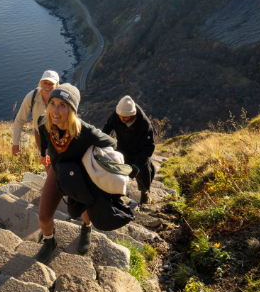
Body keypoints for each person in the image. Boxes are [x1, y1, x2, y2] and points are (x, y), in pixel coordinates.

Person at [35, 83, 117, 264]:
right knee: (43, 217)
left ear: (71, 109)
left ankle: (86, 228)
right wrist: (44, 156)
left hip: (80, 176)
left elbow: (111, 143)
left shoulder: (85, 131)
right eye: (52, 103)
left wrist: (96, 163)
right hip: (57, 173)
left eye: (62, 105)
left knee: (83, 209)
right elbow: (42, 138)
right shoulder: (45, 122)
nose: (55, 110)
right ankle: (50, 241)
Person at [102, 95, 156, 205]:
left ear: (133, 115)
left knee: (144, 172)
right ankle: (115, 194)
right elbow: (108, 127)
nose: (121, 119)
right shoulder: (118, 115)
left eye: (124, 118)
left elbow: (149, 146)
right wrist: (102, 142)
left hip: (139, 151)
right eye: (120, 117)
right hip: (122, 147)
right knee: (115, 170)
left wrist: (137, 165)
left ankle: (144, 194)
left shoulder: (144, 124)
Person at [11, 70, 59, 169]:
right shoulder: (32, 97)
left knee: (58, 163)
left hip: (59, 135)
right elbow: (19, 119)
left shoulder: (62, 98)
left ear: (57, 85)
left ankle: (56, 183)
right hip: (41, 134)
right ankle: (52, 183)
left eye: (51, 83)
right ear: (40, 83)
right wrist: (15, 143)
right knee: (47, 163)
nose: (47, 86)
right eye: (45, 82)